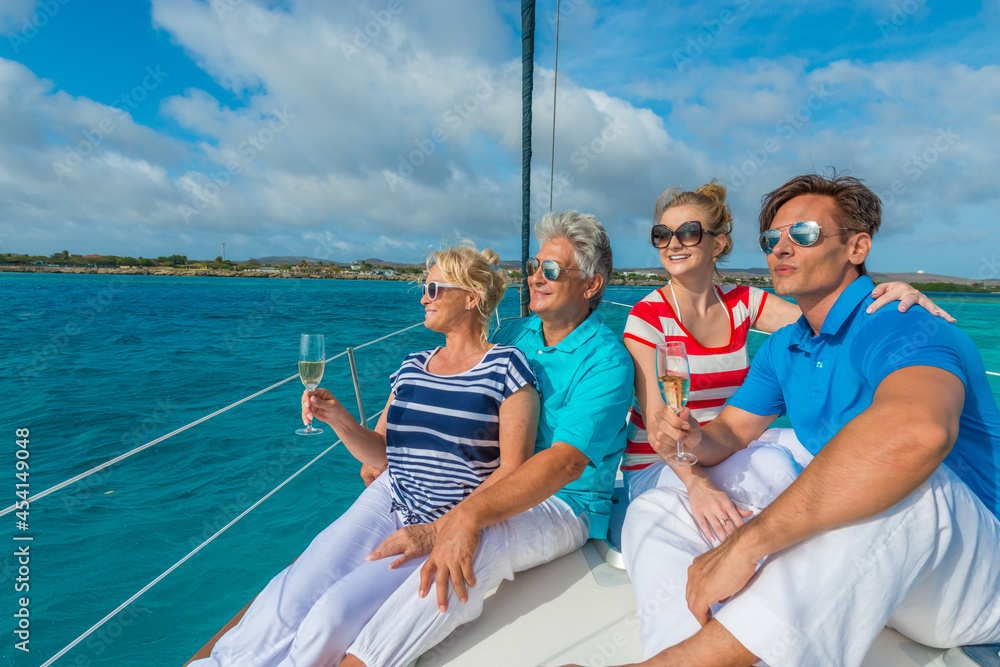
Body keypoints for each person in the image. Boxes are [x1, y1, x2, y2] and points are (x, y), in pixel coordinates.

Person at [608, 174, 1000, 666]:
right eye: (772, 239)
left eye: (805, 234)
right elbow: (730, 433)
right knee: (660, 507)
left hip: (969, 574)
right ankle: (683, 645)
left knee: (912, 483)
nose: (782, 248)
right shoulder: (787, 345)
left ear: (857, 246)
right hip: (884, 575)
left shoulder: (901, 320)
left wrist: (747, 546)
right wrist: (694, 436)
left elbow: (915, 435)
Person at [190, 244, 538, 667]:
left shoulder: (506, 368)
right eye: (423, 288)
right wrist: (338, 419)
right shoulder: (413, 366)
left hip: (444, 521)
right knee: (294, 593)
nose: (423, 297)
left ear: (471, 298)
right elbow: (379, 454)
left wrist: (449, 526)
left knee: (329, 619)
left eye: (432, 288)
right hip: (387, 500)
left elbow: (514, 471)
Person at [337, 211, 634, 667]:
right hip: (491, 480)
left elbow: (564, 465)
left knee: (478, 542)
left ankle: (364, 659)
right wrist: (397, 452)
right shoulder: (516, 332)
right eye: (534, 266)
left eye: (551, 270)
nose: (536, 276)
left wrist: (461, 518)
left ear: (591, 284)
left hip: (562, 503)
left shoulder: (607, 362)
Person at [622, 180, 954, 546]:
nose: (672, 243)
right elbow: (658, 427)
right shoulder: (647, 316)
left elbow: (828, 314)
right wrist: (698, 485)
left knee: (816, 447)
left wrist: (888, 293)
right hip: (667, 461)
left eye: (687, 233)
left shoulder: (742, 301)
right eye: (662, 234)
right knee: (777, 469)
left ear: (717, 244)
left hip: (720, 444)